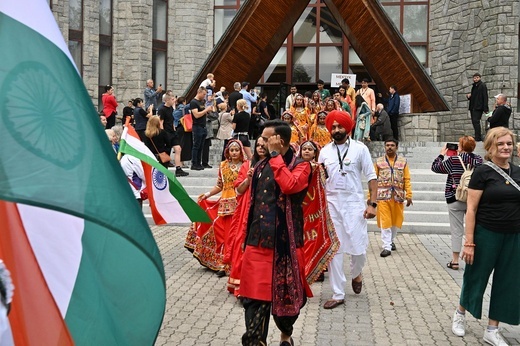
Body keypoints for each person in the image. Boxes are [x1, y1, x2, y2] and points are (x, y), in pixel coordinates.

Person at [240, 119, 313, 346]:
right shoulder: (260, 166)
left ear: (278, 140)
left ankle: (285, 335)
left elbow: (290, 186)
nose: (260, 141)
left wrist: (275, 157)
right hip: (258, 242)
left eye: (265, 137)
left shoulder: (302, 166)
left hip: (286, 246)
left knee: (286, 307)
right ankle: (255, 341)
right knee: (253, 301)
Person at [451, 127, 520, 346]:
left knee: (507, 282)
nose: (506, 147)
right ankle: (460, 315)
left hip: (513, 236)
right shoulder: (482, 172)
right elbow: (470, 209)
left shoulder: (518, 172)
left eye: (509, 143)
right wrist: (469, 242)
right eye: (500, 144)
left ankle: (492, 330)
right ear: (490, 147)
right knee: (476, 276)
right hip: (486, 234)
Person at [318, 110, 377, 309]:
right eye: (333, 127)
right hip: (332, 204)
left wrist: (372, 204)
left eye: (339, 126)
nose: (336, 130)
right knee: (336, 249)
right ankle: (338, 293)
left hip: (354, 203)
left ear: (348, 127)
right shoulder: (324, 151)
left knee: (359, 248)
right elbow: (319, 180)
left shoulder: (360, 149)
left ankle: (356, 273)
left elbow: (371, 177)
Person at [194, 139, 246, 276]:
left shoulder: (246, 166)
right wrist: (207, 194)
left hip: (240, 205)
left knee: (236, 236)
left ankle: (234, 264)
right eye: (231, 150)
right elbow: (219, 185)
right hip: (225, 207)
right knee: (225, 236)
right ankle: (224, 263)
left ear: (241, 152)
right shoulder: (223, 165)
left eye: (237, 150)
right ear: (227, 152)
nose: (234, 153)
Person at [431, 136, 483, 269]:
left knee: (456, 230)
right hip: (473, 198)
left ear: (460, 147)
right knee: (474, 229)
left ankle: (455, 261)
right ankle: (473, 257)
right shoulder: (478, 160)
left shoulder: (453, 160)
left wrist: (442, 154)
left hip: (455, 197)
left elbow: (435, 167)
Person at [225, 137, 268, 297]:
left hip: (266, 210)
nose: (261, 148)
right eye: (258, 145)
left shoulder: (273, 165)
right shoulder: (247, 165)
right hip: (247, 210)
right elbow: (239, 191)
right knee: (242, 242)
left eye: (264, 146)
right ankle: (240, 285)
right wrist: (248, 179)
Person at [299, 140, 339, 284]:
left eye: (310, 149)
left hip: (316, 209)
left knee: (316, 238)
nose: (307, 151)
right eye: (304, 149)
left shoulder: (321, 168)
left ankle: (318, 269)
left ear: (316, 153)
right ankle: (301, 268)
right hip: (300, 210)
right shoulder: (295, 167)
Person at [372, 139, 412, 257]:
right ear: (384, 147)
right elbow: (373, 180)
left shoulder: (403, 162)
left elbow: (406, 179)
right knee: (385, 220)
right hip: (383, 196)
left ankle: (391, 240)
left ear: (397, 147)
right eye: (387, 145)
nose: (389, 147)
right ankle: (386, 246)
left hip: (398, 196)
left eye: (392, 145)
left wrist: (409, 194)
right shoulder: (378, 162)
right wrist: (371, 197)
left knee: (395, 220)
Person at [158, 94, 189, 176]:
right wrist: (162, 134)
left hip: (172, 132)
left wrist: (174, 129)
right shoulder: (162, 109)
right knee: (167, 151)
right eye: (172, 99)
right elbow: (161, 122)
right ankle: (163, 169)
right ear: (167, 100)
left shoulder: (171, 108)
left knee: (178, 149)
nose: (174, 100)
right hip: (166, 133)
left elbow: (171, 120)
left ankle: (178, 169)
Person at [190, 87, 214, 170]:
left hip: (203, 126)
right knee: (196, 145)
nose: (204, 96)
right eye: (203, 94)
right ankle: (194, 163)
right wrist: (205, 110)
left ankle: (199, 163)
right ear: (199, 92)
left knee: (201, 146)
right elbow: (196, 115)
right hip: (197, 126)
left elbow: (202, 113)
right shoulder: (193, 102)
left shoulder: (201, 102)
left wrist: (208, 111)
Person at [466, 73, 489, 141]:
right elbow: (474, 96)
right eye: (474, 78)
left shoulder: (482, 85)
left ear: (480, 78)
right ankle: (477, 135)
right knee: (474, 121)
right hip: (473, 106)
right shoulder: (474, 86)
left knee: (476, 121)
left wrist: (485, 108)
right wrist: (469, 96)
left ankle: (478, 137)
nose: (475, 79)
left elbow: (485, 97)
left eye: (477, 77)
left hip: (479, 107)